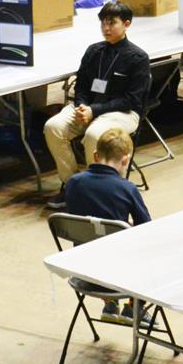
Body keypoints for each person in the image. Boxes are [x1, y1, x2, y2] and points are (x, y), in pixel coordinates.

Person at [43, 1, 150, 209]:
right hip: (88, 108)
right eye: (103, 23)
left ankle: (96, 192)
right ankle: (72, 185)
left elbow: (132, 100)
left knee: (94, 135)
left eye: (112, 23)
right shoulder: (94, 52)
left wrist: (95, 111)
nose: (106, 28)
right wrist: (82, 107)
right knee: (53, 127)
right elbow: (81, 86)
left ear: (126, 24)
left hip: (123, 113)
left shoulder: (138, 58)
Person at [62, 127, 150, 324]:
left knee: (95, 237)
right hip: (117, 273)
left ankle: (110, 303)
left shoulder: (73, 182)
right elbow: (147, 230)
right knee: (154, 250)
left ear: (95, 155)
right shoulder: (127, 189)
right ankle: (134, 307)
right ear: (126, 160)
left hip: (83, 269)